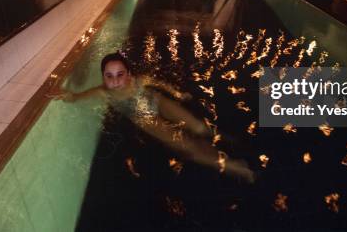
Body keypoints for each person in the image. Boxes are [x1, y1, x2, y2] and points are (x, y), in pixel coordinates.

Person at [58, 52, 255, 181]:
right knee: (187, 147)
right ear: (103, 77)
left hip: (158, 102)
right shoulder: (103, 92)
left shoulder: (139, 81)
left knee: (197, 126)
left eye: (120, 74)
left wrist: (177, 94)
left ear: (128, 74)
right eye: (109, 76)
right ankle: (235, 167)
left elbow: (160, 84)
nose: (115, 81)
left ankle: (225, 138)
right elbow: (76, 97)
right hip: (144, 118)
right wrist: (68, 96)